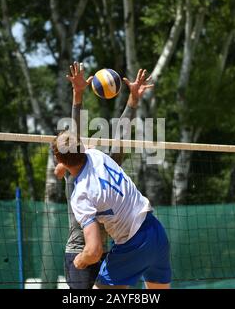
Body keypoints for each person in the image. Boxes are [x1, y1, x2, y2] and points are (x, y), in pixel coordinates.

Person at [53, 67, 171, 289]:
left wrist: (79, 95)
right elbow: (75, 139)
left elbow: (115, 138)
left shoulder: (92, 162)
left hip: (107, 248)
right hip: (81, 248)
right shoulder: (79, 174)